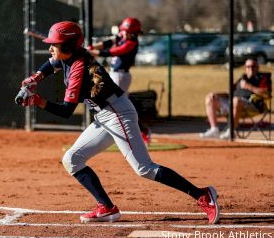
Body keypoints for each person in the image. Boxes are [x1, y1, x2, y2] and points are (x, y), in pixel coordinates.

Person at [18, 21, 220, 224]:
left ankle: (202, 195)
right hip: (104, 115)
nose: (50, 47)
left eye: (55, 44)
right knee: (72, 159)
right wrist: (35, 77)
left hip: (117, 114)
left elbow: (65, 111)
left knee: (144, 168)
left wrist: (38, 100)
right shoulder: (68, 56)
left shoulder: (79, 67)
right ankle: (106, 207)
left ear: (69, 46)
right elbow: (50, 63)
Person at [88, 17, 151, 145]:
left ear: (134, 33)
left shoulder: (131, 43)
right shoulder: (123, 36)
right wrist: (91, 47)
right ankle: (140, 131)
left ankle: (137, 131)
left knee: (113, 103)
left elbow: (111, 52)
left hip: (121, 76)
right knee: (121, 105)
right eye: (124, 31)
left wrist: (91, 51)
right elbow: (108, 43)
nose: (125, 33)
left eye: (128, 32)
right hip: (114, 74)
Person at [200, 58, 271, 139]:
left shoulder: (263, 78)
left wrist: (249, 87)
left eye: (253, 66)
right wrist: (216, 94)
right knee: (210, 98)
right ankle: (214, 129)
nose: (250, 68)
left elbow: (267, 94)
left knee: (236, 100)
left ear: (258, 67)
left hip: (253, 106)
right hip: (233, 104)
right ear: (245, 68)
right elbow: (229, 93)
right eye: (248, 66)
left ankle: (231, 131)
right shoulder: (242, 79)